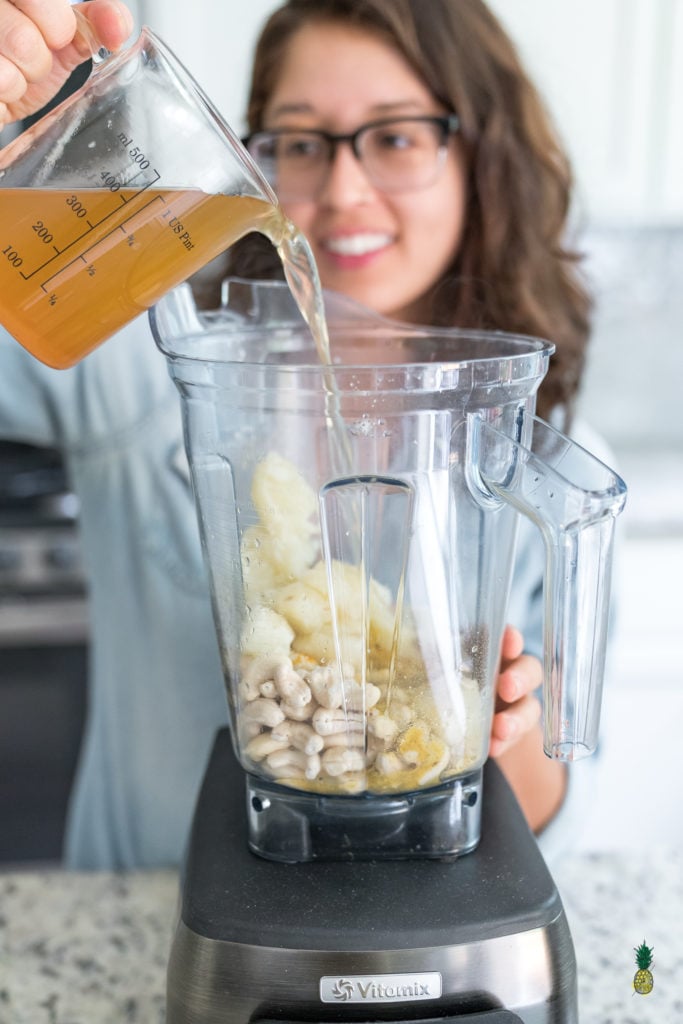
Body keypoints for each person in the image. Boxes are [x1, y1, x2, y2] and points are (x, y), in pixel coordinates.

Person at [0, 0, 603, 868]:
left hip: (426, 916)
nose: (344, 190)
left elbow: (563, 822)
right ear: (258, 163)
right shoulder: (145, 366)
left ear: (482, 158)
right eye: (302, 144)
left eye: (395, 138)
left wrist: (486, 721)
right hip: (139, 916)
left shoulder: (538, 444)